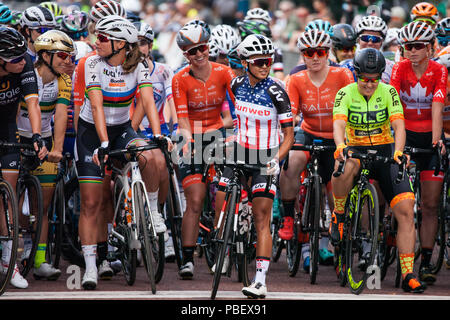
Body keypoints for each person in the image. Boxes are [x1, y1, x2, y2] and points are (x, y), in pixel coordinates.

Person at [76, 14, 161, 290]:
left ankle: (152, 211)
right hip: (92, 132)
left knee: (150, 155)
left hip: (122, 129)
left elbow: (147, 99)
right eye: (95, 36)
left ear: (121, 44)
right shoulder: (92, 63)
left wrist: (158, 134)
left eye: (102, 38)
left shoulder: (138, 65)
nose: (95, 41)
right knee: (91, 202)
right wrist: (103, 142)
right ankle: (90, 267)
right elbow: (97, 106)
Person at [331, 47, 427, 293]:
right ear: (356, 74)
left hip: (384, 150)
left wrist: (399, 149)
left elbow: (399, 125)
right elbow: (339, 123)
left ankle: (408, 274)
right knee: (341, 167)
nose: (370, 84)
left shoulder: (389, 92)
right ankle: (339, 215)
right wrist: (340, 145)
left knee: (406, 208)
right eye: (364, 78)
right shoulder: (345, 93)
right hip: (355, 149)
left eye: (375, 79)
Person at [215, 34, 294, 298]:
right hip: (240, 151)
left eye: (268, 61)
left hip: (266, 156)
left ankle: (260, 280)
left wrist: (276, 159)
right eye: (259, 61)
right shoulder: (236, 84)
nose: (265, 66)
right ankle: (222, 246)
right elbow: (236, 120)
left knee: (262, 216)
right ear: (246, 62)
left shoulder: (277, 91)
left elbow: (289, 135)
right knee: (221, 193)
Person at [278, 28, 354, 270]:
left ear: (328, 53)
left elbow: (353, 110)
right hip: (309, 131)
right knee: (291, 162)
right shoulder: (296, 79)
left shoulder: (343, 75)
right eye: (309, 53)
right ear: (302, 55)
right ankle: (288, 216)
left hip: (336, 135)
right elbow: (291, 114)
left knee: (336, 191)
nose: (315, 57)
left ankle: (338, 234)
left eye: (320, 52)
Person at [172, 20, 235, 279]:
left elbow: (239, 106)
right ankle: (187, 259)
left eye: (202, 48)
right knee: (195, 200)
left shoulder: (223, 72)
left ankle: (227, 244)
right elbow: (183, 119)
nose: (198, 54)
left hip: (218, 132)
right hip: (190, 135)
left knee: (226, 191)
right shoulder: (179, 79)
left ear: (209, 47)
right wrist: (188, 141)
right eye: (191, 51)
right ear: (185, 54)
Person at [391, 21, 448, 285]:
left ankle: (425, 261)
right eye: (407, 47)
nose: (411, 51)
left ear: (429, 48)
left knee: (430, 205)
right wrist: (397, 143)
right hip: (405, 133)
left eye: (417, 47)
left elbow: (437, 106)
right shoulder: (399, 68)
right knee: (404, 201)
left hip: (429, 137)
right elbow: (394, 105)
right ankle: (388, 240)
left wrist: (437, 141)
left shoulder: (438, 70)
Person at [17, 29, 75, 283]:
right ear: (45, 56)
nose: (68, 61)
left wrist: (58, 150)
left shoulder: (64, 80)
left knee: (43, 206)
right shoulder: (26, 75)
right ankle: (12, 251)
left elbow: (61, 115)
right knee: (14, 205)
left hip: (46, 141)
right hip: (17, 138)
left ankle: (39, 259)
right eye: (62, 55)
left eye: (70, 56)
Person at [0, 26, 46, 289]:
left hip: (7, 125)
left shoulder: (25, 63)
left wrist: (38, 135)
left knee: (9, 191)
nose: (22, 62)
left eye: (22, 58)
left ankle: (8, 262)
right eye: (15, 59)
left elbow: (32, 103)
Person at [130, 21, 176, 260]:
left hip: (155, 129)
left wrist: (173, 128)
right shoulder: (124, 70)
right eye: (135, 43)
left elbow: (170, 101)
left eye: (144, 43)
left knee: (164, 169)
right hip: (130, 129)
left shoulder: (164, 70)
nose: (140, 48)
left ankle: (160, 216)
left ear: (150, 45)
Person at [340, 15, 394, 84]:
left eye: (375, 39)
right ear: (358, 40)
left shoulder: (391, 68)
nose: (370, 43)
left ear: (381, 42)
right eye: (365, 38)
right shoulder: (345, 67)